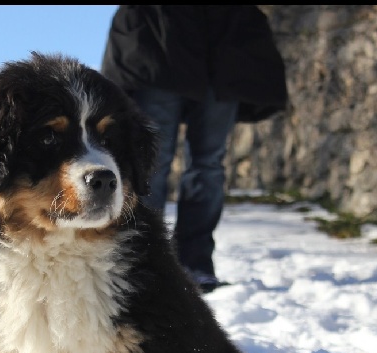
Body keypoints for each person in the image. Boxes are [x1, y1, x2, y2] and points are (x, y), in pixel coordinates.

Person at [101, 5, 288, 292]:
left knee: (208, 164)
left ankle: (196, 263)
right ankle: (145, 260)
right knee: (151, 163)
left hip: (224, 48)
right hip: (158, 42)